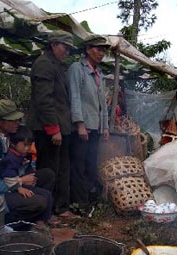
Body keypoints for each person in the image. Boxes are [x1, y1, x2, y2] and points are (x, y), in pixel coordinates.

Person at [0, 99, 55, 224]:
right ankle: (10, 222)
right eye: (13, 120)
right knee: (40, 201)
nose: (17, 123)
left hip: (10, 180)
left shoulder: (9, 135)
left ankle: (37, 218)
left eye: (18, 119)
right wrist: (20, 182)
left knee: (47, 175)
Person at [26, 30, 75, 216]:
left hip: (59, 127)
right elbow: (44, 99)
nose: (67, 52)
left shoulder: (57, 65)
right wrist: (53, 129)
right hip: (47, 129)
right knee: (49, 170)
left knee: (61, 168)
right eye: (65, 47)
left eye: (69, 49)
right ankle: (45, 211)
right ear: (53, 44)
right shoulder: (44, 64)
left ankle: (60, 208)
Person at [67, 34, 110, 212]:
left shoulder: (98, 74)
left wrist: (105, 126)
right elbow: (75, 97)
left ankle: (88, 201)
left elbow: (103, 104)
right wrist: (79, 124)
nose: (101, 53)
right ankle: (79, 203)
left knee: (91, 164)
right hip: (83, 128)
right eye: (98, 49)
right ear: (88, 50)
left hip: (95, 128)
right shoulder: (77, 69)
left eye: (103, 51)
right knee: (79, 165)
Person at [0, 125, 54, 228]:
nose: (27, 148)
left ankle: (44, 218)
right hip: (11, 188)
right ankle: (35, 220)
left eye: (29, 145)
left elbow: (28, 169)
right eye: (24, 145)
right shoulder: (11, 158)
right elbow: (8, 178)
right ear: (13, 143)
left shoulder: (24, 154)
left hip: (21, 180)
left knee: (47, 192)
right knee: (41, 198)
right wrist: (20, 187)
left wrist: (29, 177)